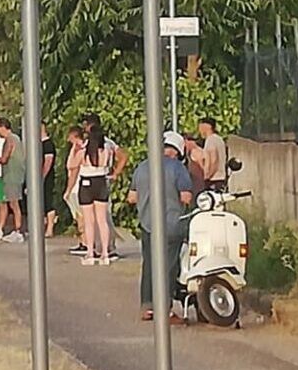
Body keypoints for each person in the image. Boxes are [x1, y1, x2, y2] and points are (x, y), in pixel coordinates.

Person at [129, 131, 195, 320]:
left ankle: (147, 305)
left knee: (149, 264)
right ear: (177, 151)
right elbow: (186, 196)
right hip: (171, 224)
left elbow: (132, 197)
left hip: (148, 224)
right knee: (168, 266)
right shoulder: (178, 168)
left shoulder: (142, 167)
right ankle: (164, 307)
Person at [68, 113, 129, 259]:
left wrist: (75, 150)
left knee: (89, 220)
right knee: (103, 219)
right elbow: (123, 156)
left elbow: (72, 165)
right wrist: (115, 173)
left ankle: (91, 250)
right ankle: (106, 251)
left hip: (87, 181)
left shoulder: (85, 147)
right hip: (102, 179)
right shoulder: (107, 146)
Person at [0, 117, 27, 243]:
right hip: (15, 175)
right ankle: (17, 229)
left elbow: (4, 159)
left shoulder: (10, 139)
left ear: (3, 127)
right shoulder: (16, 138)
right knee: (13, 203)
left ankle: (18, 230)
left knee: (14, 203)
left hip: (12, 175)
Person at [198, 117, 229, 192]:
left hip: (213, 180)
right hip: (221, 179)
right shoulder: (219, 139)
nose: (199, 130)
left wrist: (207, 176)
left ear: (207, 126)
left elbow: (214, 160)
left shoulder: (210, 140)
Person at [40, 123, 58, 236]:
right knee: (42, 201)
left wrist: (42, 176)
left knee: (48, 201)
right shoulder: (39, 144)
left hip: (46, 177)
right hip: (41, 177)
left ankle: (50, 227)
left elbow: (48, 161)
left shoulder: (48, 145)